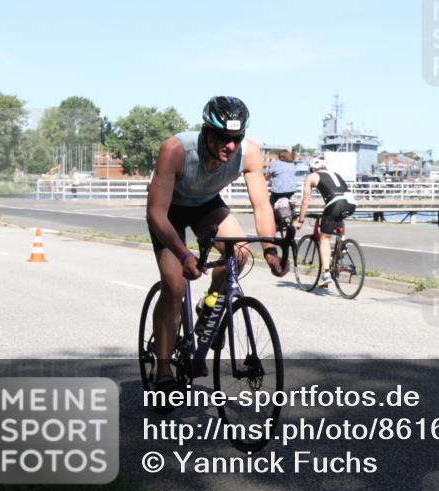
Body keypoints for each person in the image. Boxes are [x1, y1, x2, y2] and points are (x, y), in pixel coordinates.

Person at [146, 96, 286, 393]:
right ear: (205, 131)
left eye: (236, 138)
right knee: (173, 286)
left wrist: (271, 252)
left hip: (205, 205)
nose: (230, 145)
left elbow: (262, 206)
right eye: (222, 137)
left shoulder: (248, 154)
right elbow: (156, 214)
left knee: (242, 252)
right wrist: (184, 255)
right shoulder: (175, 149)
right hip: (168, 210)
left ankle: (210, 303)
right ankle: (163, 370)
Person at [293, 157, 357, 287]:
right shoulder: (336, 174)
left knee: (325, 238)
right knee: (337, 217)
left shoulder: (311, 176)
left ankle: (326, 274)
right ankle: (342, 245)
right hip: (351, 203)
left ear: (312, 169)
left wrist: (300, 220)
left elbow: (305, 201)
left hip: (335, 204)